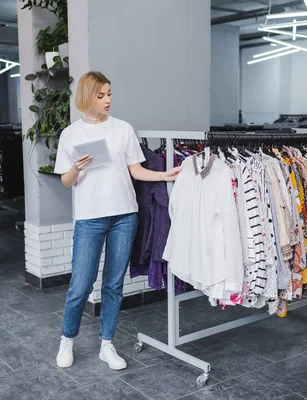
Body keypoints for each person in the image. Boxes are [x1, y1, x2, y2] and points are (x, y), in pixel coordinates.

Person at [53, 71, 181, 370]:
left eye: (109, 93)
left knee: (113, 285)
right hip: (90, 218)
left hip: (125, 215)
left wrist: (164, 175)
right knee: (80, 286)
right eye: (101, 95)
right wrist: (76, 168)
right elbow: (66, 182)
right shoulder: (70, 134)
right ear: (87, 96)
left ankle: (107, 345)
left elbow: (136, 171)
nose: (108, 100)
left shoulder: (123, 129)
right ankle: (67, 340)